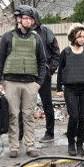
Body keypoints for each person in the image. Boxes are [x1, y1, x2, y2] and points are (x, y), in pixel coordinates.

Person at [0, 5, 46, 158]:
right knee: (13, 115)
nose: (28, 21)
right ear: (18, 19)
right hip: (11, 82)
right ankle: (14, 147)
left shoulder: (36, 38)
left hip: (30, 83)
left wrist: (39, 82)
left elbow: (42, 62)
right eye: (25, 18)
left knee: (29, 116)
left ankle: (30, 147)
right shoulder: (7, 37)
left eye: (30, 19)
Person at [56, 24, 84, 157]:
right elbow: (60, 70)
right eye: (79, 36)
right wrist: (59, 88)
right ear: (73, 37)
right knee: (74, 117)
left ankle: (80, 144)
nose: (82, 39)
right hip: (70, 88)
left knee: (83, 118)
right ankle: (71, 143)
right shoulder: (65, 52)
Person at [30, 8, 61, 142]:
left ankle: (50, 133)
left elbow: (56, 53)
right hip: (26, 74)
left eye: (31, 18)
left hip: (43, 73)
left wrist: (50, 70)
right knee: (23, 105)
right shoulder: (20, 34)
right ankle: (21, 133)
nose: (28, 21)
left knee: (47, 103)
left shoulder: (46, 32)